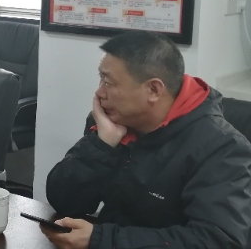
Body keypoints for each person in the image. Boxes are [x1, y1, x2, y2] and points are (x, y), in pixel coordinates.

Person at [44, 30, 251, 249]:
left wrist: (100, 238)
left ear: (153, 90)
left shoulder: (222, 148)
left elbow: (217, 241)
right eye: (101, 79)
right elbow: (65, 202)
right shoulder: (113, 125)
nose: (99, 93)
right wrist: (102, 146)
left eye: (109, 83)